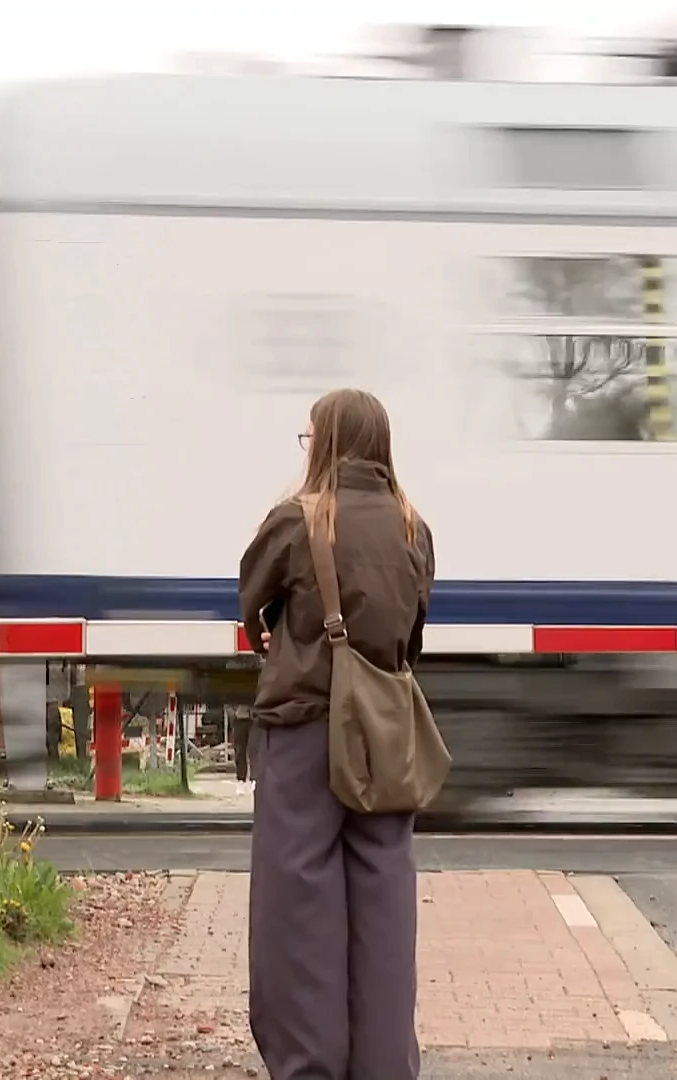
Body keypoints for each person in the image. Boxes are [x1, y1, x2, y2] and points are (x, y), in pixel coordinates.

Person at [237, 388, 436, 1080]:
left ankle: (309, 1067)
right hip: (386, 735)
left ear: (324, 445)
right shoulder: (414, 527)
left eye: (308, 438)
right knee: (384, 900)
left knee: (299, 906)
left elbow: (250, 602)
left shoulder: (297, 521)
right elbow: (412, 635)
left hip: (303, 732)